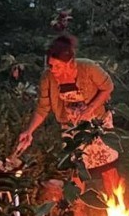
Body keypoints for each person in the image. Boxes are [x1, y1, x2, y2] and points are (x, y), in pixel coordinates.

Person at [16, 34, 120, 193]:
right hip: (71, 127)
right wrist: (29, 131)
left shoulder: (88, 68)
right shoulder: (48, 78)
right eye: (51, 65)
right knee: (76, 168)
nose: (53, 70)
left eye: (57, 66)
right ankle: (75, 213)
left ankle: (116, 206)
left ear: (70, 63)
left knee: (108, 167)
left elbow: (108, 87)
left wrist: (90, 108)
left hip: (97, 124)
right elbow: (43, 108)